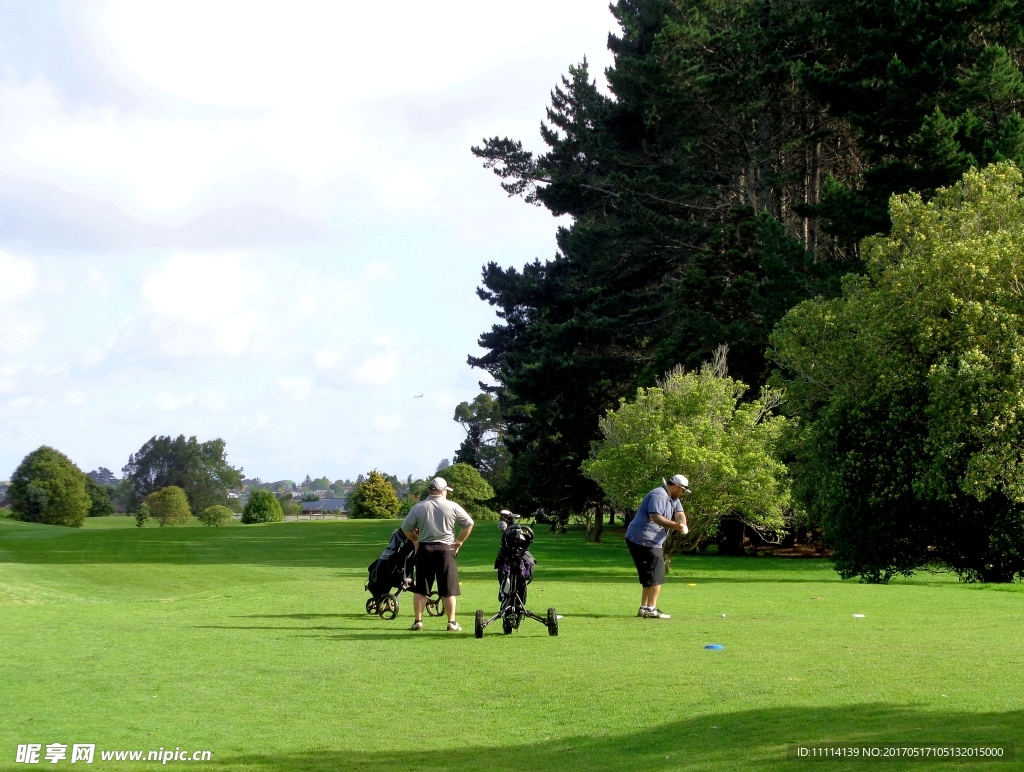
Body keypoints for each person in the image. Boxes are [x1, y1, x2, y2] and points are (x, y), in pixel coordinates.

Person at [401, 476, 474, 631]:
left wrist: (415, 541)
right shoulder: (452, 506)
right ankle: (451, 622)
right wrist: (459, 542)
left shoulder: (419, 507)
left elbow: (406, 527)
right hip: (446, 550)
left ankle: (418, 621)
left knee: (422, 588)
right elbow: (469, 523)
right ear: (442, 491)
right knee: (448, 589)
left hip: (425, 549)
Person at [625, 474, 691, 619]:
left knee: (650, 575)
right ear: (676, 486)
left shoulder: (674, 497)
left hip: (650, 541)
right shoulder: (659, 495)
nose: (683, 493)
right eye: (683, 490)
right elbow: (655, 517)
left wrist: (683, 523)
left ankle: (645, 608)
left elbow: (679, 513)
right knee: (656, 575)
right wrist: (676, 526)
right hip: (643, 539)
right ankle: (651, 608)